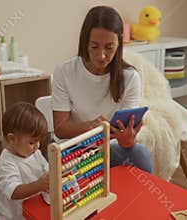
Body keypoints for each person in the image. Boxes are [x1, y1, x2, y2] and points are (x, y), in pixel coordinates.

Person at [52, 6, 152, 173]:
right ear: (85, 42)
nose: (102, 55)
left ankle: (145, 199)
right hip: (74, 149)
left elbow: (126, 136)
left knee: (138, 153)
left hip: (107, 149)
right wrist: (90, 127)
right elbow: (60, 129)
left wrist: (128, 140)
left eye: (109, 47)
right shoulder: (65, 72)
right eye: (94, 47)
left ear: (119, 44)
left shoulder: (130, 77)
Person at [0, 102, 49, 220]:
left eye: (38, 141)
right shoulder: (6, 163)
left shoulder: (35, 153)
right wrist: (39, 185)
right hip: (11, 217)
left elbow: (46, 170)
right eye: (32, 142)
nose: (37, 146)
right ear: (12, 139)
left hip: (32, 211)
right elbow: (14, 192)